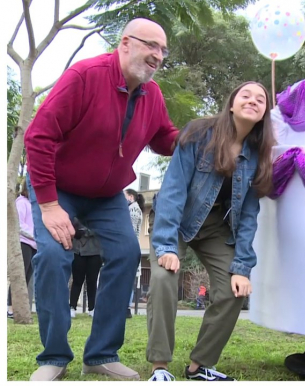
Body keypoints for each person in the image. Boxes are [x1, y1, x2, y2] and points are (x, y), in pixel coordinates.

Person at [23, 18, 178, 381]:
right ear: (125, 42)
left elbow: (165, 138)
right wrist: (48, 205)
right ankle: (54, 357)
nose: (157, 55)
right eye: (150, 45)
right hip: (58, 187)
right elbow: (38, 137)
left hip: (107, 195)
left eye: (162, 50)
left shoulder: (152, 95)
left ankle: (101, 354)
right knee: (51, 255)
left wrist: (205, 136)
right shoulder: (85, 76)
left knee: (126, 254)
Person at [147, 81, 275, 381]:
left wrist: (242, 266)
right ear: (231, 103)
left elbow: (249, 215)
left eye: (261, 99)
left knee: (234, 287)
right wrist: (166, 246)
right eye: (246, 95)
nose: (253, 101)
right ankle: (160, 367)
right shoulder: (198, 133)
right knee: (164, 279)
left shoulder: (258, 154)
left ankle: (199, 365)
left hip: (217, 227)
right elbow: (173, 189)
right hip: (177, 220)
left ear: (265, 113)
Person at [8, 179, 37, 319]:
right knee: (19, 277)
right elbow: (19, 225)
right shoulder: (21, 202)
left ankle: (20, 308)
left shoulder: (33, 205)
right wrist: (34, 236)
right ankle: (10, 308)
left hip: (33, 245)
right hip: (24, 243)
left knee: (26, 278)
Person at [69, 218, 103, 318]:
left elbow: (100, 228)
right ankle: (72, 307)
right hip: (78, 251)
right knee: (77, 280)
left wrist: (86, 231)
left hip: (95, 251)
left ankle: (92, 308)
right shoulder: (76, 211)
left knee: (92, 281)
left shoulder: (98, 213)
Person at [125, 188, 145, 318]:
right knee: (129, 280)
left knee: (126, 279)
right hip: (133, 247)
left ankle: (125, 307)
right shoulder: (137, 209)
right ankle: (126, 307)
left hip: (128, 247)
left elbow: (129, 230)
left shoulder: (132, 210)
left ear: (131, 197)